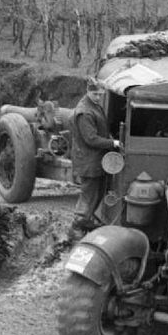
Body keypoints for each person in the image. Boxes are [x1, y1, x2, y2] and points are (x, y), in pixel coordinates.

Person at [70, 78, 120, 232]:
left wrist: (110, 138)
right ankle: (77, 226)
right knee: (88, 194)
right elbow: (91, 139)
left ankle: (85, 221)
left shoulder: (94, 106)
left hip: (94, 159)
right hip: (88, 160)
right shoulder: (85, 112)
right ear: (88, 91)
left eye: (100, 94)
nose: (98, 97)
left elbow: (101, 130)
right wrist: (113, 144)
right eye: (95, 94)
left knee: (96, 194)